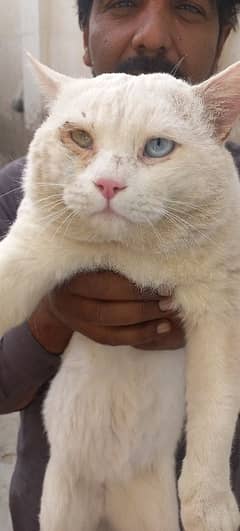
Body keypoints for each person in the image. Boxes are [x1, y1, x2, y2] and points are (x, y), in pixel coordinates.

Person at [1, 1, 240, 530]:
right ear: (84, 36)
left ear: (223, 39)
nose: (151, 34)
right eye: (123, 4)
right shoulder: (21, 189)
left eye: (186, 9)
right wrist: (48, 320)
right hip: (55, 489)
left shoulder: (225, 205)